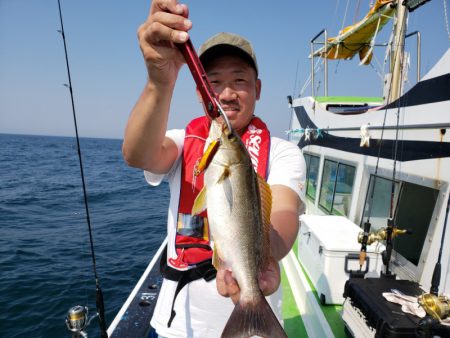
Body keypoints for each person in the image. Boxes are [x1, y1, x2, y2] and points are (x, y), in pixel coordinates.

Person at [122, 1, 306, 337]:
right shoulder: (184, 142)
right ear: (200, 91)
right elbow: (138, 155)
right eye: (214, 81)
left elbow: (284, 212)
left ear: (258, 89)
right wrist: (158, 82)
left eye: (240, 80)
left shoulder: (283, 152)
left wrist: (266, 257)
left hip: (253, 315)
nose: (226, 93)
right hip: (180, 324)